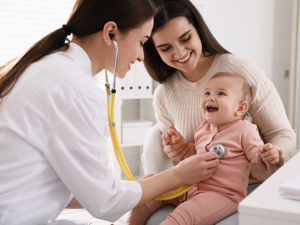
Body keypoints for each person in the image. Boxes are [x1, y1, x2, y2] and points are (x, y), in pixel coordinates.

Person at [0, 0, 221, 224]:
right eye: (142, 42)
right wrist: (177, 175)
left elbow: (74, 188)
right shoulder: (77, 90)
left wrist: (141, 187)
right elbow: (105, 203)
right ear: (111, 33)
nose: (142, 56)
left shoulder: (49, 66)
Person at [143, 0, 296, 184]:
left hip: (248, 187)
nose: (180, 52)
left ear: (198, 29)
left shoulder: (241, 71)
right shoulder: (164, 95)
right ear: (154, 50)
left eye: (185, 38)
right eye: (165, 48)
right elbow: (180, 162)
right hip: (196, 190)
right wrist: (175, 150)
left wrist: (274, 158)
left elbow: (282, 134)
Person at [127, 72, 281, 224]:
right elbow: (195, 154)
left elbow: (257, 158)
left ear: (240, 108)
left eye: (221, 93)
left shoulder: (245, 129)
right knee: (150, 185)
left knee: (183, 214)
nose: (210, 97)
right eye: (207, 92)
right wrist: (182, 146)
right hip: (190, 186)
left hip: (221, 194)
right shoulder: (203, 128)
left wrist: (267, 155)